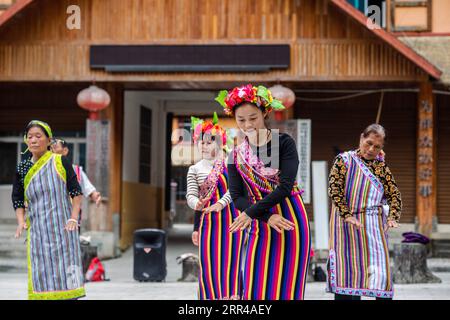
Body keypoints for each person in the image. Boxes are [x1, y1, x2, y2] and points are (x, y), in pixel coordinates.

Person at [216, 84, 311, 300]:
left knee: (288, 286)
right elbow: (237, 197)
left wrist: (250, 213)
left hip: (289, 219)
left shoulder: (283, 143)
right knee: (254, 286)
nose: (247, 124)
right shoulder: (235, 155)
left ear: (265, 113)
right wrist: (265, 217)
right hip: (260, 222)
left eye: (253, 118)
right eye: (241, 120)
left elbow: (285, 187)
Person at [326, 124, 402, 300]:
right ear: (361, 138)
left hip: (373, 225)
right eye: (368, 143)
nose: (371, 149)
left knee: (381, 275)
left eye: (377, 147)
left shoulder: (381, 167)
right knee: (347, 273)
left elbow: (394, 194)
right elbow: (334, 189)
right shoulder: (343, 160)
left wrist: (392, 216)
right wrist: (347, 215)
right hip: (344, 226)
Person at [12, 120, 85, 300]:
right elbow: (17, 197)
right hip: (38, 232)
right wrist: (21, 221)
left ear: (48, 140)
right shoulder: (23, 168)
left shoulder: (60, 161)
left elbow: (76, 191)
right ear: (25, 140)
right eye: (30, 137)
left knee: (66, 273)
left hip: (63, 231)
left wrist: (74, 218)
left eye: (38, 136)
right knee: (41, 273)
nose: (34, 141)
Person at [185, 112, 244, 300]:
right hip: (208, 223)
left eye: (209, 141)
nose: (204, 145)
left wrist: (220, 203)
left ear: (219, 143)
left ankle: (233, 299)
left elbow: (236, 189)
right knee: (209, 264)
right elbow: (192, 195)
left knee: (232, 262)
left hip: (232, 221)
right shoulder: (194, 169)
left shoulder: (231, 163)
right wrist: (196, 204)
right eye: (201, 142)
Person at [51, 138, 102, 207]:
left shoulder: (77, 170)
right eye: (50, 148)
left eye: (55, 147)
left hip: (73, 214)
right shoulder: (46, 169)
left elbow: (88, 187)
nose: (52, 151)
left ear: (65, 151)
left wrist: (95, 195)